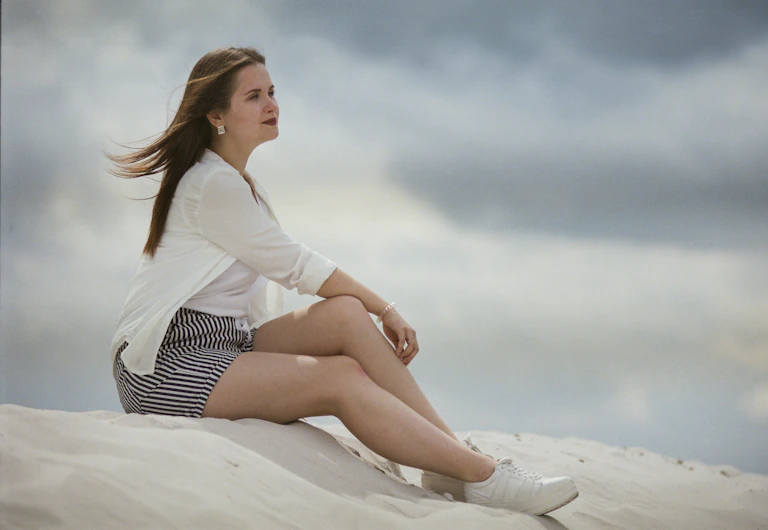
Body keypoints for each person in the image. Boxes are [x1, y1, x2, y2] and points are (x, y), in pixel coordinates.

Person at [106, 46, 578, 516]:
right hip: (168, 367)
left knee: (345, 314)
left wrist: (370, 309)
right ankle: (483, 475)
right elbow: (298, 266)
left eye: (272, 92)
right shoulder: (212, 184)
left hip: (227, 342)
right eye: (253, 97)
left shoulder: (237, 182)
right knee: (340, 378)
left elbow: (299, 274)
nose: (271, 105)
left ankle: (451, 459)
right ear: (215, 114)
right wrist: (386, 308)